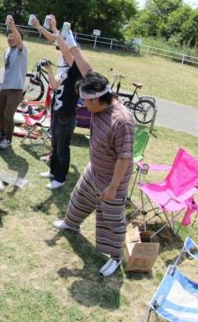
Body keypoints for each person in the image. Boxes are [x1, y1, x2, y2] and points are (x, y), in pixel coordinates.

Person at [52, 52, 135, 277]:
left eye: (85, 102)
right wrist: (72, 46)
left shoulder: (122, 121)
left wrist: (113, 187)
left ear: (97, 100)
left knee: (112, 220)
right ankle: (71, 223)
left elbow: (124, 158)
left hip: (112, 179)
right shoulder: (98, 91)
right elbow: (86, 69)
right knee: (79, 198)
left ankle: (115, 257)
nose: (82, 104)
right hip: (95, 169)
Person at [31, 15, 84, 189]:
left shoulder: (76, 69)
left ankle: (60, 178)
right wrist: (49, 69)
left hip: (66, 115)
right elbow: (54, 85)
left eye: (67, 51)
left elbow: (64, 48)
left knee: (62, 148)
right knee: (55, 144)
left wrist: (55, 28)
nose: (63, 53)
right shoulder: (64, 69)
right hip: (56, 111)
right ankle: (53, 171)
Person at [0, 15, 27, 150]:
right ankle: (2, 133)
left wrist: (12, 25)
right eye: (9, 36)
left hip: (16, 89)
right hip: (5, 87)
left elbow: (18, 41)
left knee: (8, 115)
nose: (11, 38)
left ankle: (8, 139)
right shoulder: (7, 51)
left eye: (13, 36)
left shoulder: (21, 49)